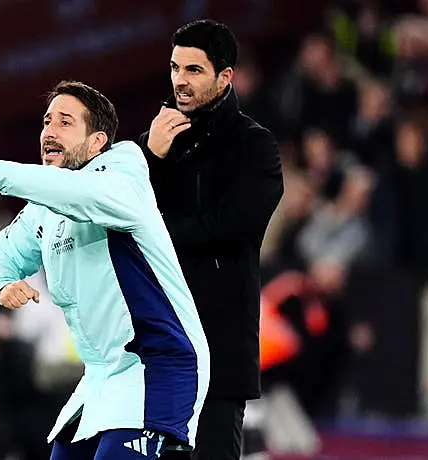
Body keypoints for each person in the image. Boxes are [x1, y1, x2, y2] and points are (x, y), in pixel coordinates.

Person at [0, 80, 210, 460]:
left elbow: (77, 194)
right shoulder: (46, 206)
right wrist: (1, 284)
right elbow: (0, 251)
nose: (49, 131)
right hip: (98, 378)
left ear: (97, 142)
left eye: (65, 122)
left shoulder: (123, 175)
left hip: (156, 366)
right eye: (47, 121)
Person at [138, 20, 284, 460]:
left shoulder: (255, 146)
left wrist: (157, 234)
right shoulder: (156, 143)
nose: (180, 80)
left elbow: (232, 225)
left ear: (225, 77)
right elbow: (120, 214)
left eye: (193, 70)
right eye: (174, 67)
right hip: (157, 337)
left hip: (219, 340)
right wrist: (151, 157)